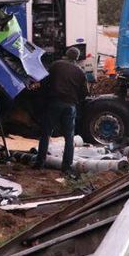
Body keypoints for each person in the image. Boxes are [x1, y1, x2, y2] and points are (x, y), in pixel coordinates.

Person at [32, 46, 89, 176]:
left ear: (66, 54)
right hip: (70, 106)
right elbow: (85, 93)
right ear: (77, 58)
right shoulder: (80, 72)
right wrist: (74, 101)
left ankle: (39, 163)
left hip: (55, 103)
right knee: (69, 137)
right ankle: (66, 167)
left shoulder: (56, 65)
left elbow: (45, 81)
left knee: (46, 133)